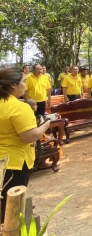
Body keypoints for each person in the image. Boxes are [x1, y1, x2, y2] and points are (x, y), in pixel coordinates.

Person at [0, 67, 52, 223]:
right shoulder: (19, 107)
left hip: (3, 160)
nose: (25, 85)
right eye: (23, 81)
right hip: (15, 163)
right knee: (11, 206)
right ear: (12, 86)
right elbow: (29, 136)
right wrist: (45, 125)